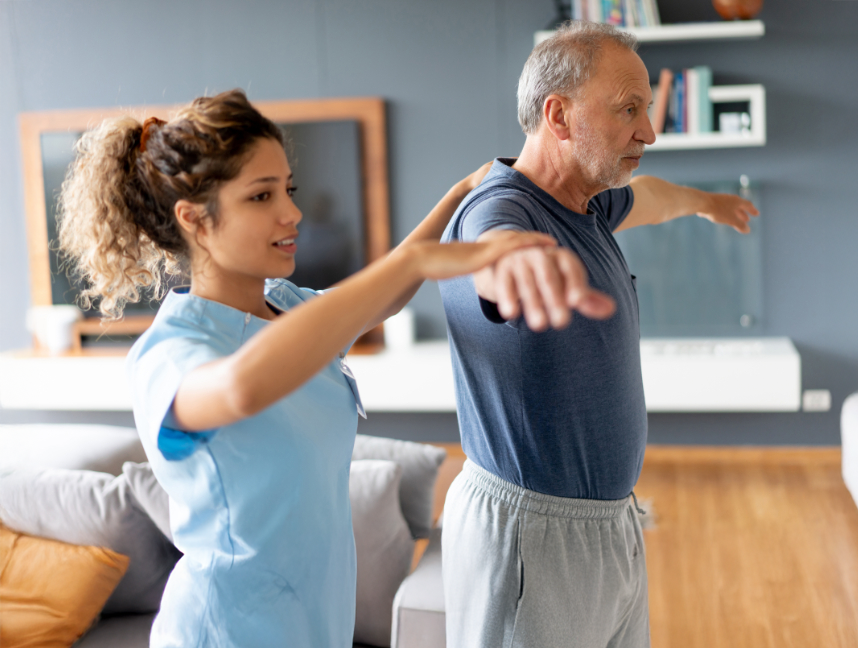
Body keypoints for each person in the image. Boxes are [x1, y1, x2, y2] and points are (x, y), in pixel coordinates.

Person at [56, 89, 558, 647]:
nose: (291, 212)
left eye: (287, 189)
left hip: (315, 626)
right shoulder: (170, 353)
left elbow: (380, 297)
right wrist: (416, 262)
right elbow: (242, 387)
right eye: (261, 196)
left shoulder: (288, 306)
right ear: (196, 219)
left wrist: (463, 193)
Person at [438, 21, 759, 648]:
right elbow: (493, 252)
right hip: (531, 535)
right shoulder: (500, 209)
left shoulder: (586, 206)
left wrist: (706, 202)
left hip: (609, 523)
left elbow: (652, 196)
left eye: (647, 107)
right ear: (558, 116)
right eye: (628, 109)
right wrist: (522, 269)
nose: (650, 130)